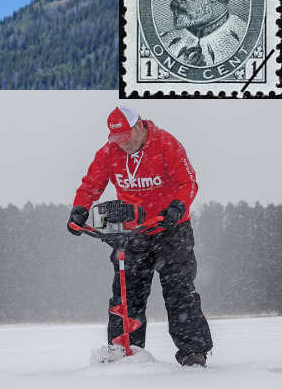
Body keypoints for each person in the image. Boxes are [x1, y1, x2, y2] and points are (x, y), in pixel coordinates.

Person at [66, 106, 212, 367]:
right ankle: (123, 351)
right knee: (125, 294)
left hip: (171, 229)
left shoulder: (167, 144)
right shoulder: (109, 152)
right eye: (117, 139)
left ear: (140, 126)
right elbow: (90, 185)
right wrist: (79, 210)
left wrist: (177, 208)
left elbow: (187, 182)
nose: (122, 144)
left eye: (126, 137)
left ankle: (193, 352)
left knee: (179, 291)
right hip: (132, 232)